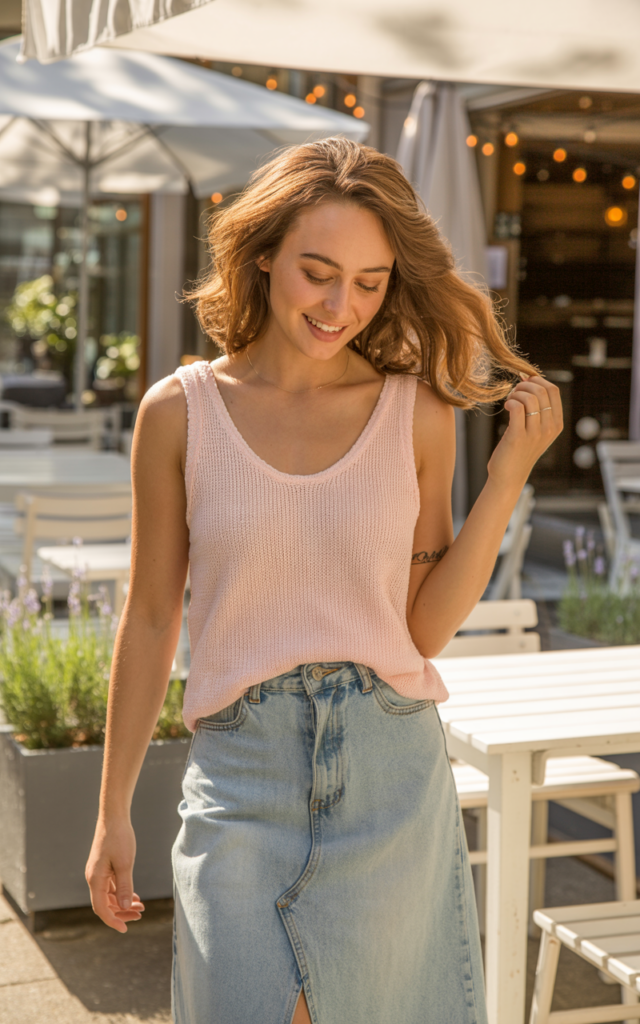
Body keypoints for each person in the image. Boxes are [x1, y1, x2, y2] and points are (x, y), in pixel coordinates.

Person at [85, 137, 562, 1024]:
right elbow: (150, 618)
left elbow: (420, 633)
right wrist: (113, 812)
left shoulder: (414, 411)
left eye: (371, 282)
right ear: (262, 255)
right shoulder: (179, 412)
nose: (342, 305)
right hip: (240, 772)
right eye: (318, 272)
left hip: (388, 767)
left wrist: (505, 480)